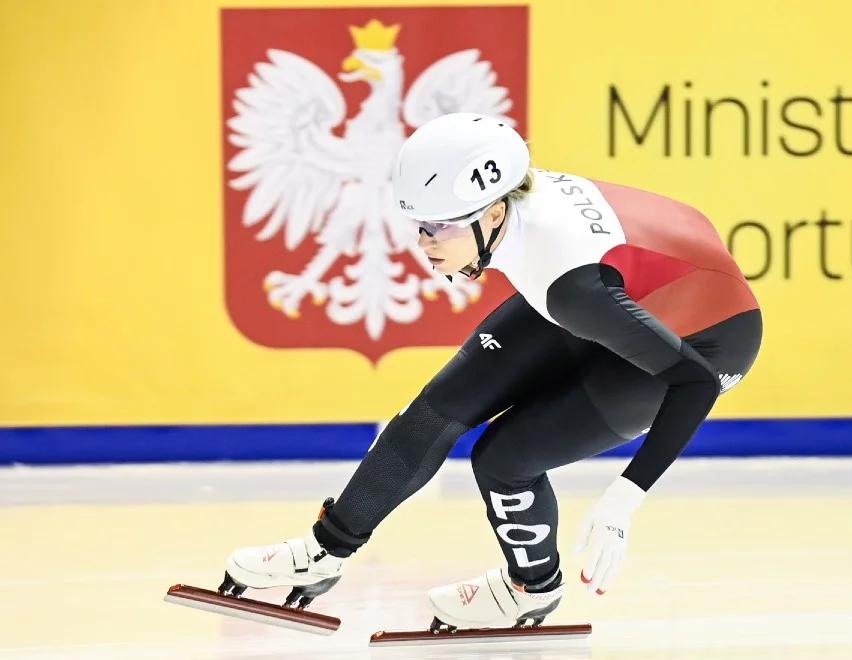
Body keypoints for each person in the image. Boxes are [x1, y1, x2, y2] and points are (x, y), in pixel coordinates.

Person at [221, 112, 763, 631]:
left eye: (437, 229)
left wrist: (624, 498)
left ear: (494, 213)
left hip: (708, 340)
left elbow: (693, 382)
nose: (423, 245)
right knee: (440, 406)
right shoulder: (519, 221)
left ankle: (533, 587)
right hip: (632, 285)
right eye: (418, 226)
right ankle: (323, 551)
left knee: (505, 457)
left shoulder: (569, 285)